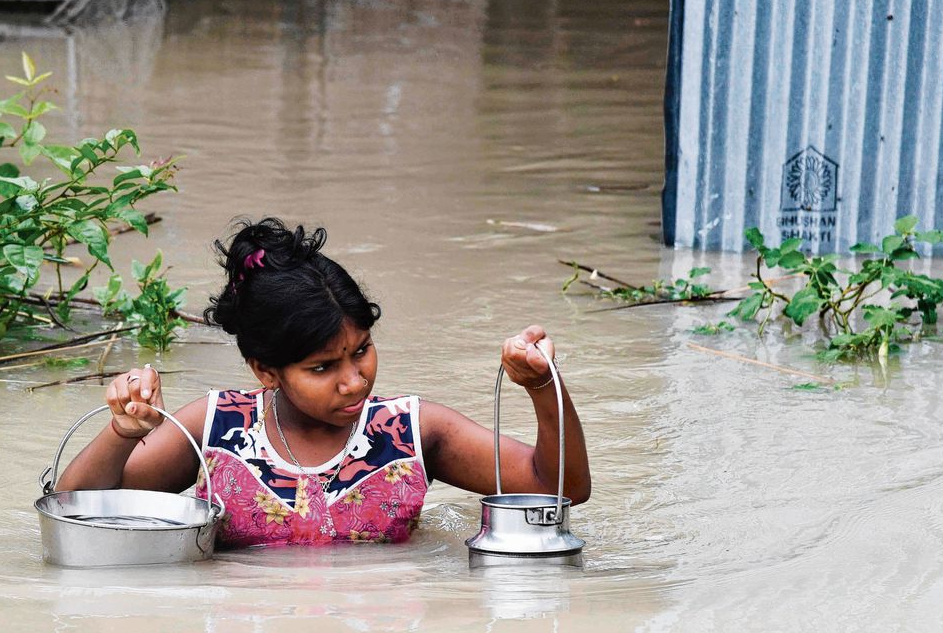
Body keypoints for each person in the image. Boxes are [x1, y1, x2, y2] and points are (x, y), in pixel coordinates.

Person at [57, 218, 590, 548]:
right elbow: (78, 514)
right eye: (322, 368)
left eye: (361, 352)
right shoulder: (214, 429)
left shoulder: (411, 432)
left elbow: (560, 489)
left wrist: (544, 387)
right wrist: (122, 432)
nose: (354, 382)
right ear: (265, 371)